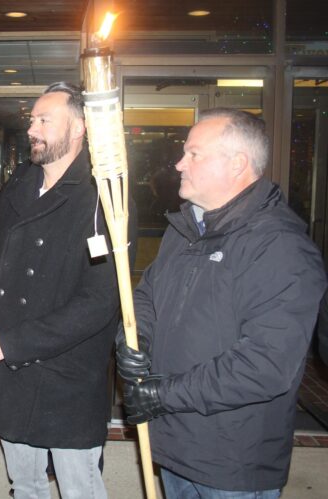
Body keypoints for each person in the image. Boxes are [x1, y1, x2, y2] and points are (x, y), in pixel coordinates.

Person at [116, 108, 327, 498]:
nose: (179, 163)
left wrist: (164, 394)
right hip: (175, 444)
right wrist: (136, 339)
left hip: (232, 461)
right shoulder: (185, 230)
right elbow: (148, 295)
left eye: (194, 154)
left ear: (238, 164)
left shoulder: (280, 247)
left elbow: (266, 364)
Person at [0, 82, 120, 498]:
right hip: (12, 370)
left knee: (78, 487)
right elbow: (1, 260)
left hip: (65, 374)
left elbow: (98, 303)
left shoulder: (102, 197)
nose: (33, 129)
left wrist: (7, 343)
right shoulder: (22, 182)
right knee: (25, 485)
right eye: (32, 120)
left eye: (45, 120)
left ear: (79, 128)